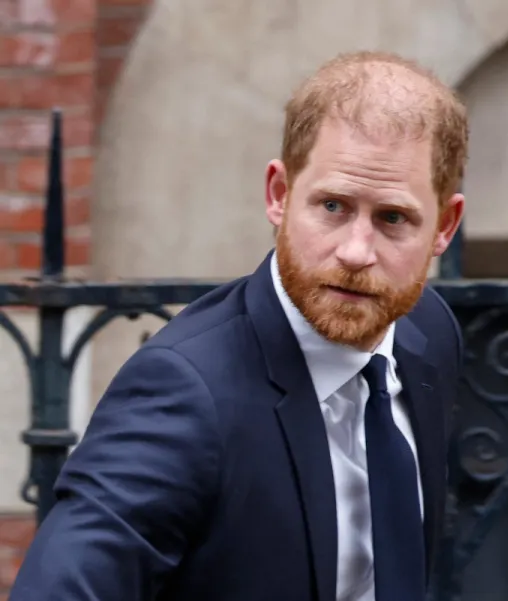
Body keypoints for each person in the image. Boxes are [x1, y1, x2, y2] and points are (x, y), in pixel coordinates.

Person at [10, 50, 467, 601]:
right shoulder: (186, 392)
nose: (355, 251)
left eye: (393, 218)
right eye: (332, 206)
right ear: (279, 195)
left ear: (444, 227)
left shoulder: (428, 331)